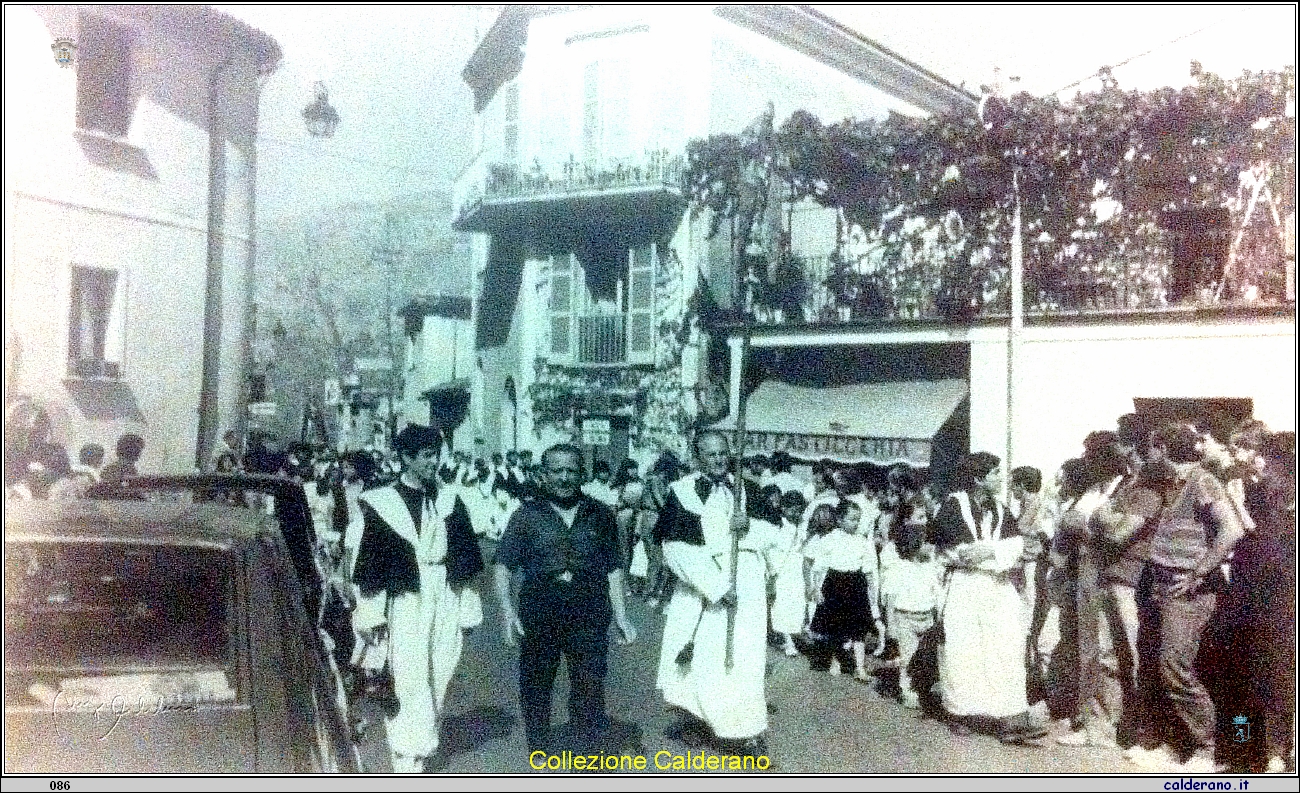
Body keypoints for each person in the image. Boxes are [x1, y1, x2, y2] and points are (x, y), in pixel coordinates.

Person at [351, 425, 485, 774]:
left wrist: (467, 606)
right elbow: (372, 563)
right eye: (425, 456)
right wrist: (370, 612)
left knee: (440, 670)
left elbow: (464, 556)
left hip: (444, 593)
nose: (432, 462)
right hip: (407, 597)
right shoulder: (384, 504)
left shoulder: (450, 500)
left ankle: (423, 743)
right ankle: (405, 756)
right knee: (409, 676)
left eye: (435, 455)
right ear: (406, 458)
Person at [493, 443, 637, 755]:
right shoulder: (526, 515)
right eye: (556, 471)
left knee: (589, 684)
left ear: (582, 474)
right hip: (540, 609)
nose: (564, 477)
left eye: (571, 470)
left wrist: (622, 616)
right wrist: (507, 613)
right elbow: (503, 567)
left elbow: (613, 568)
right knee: (537, 683)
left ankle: (585, 755)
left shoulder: (600, 514)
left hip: (589, 609)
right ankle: (539, 747)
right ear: (543, 475)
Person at [654, 430, 783, 755]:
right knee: (702, 659)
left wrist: (750, 527)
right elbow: (674, 548)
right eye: (710, 454)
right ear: (697, 458)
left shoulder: (748, 490)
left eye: (723, 453)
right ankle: (697, 719)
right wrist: (715, 586)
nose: (718, 459)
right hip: (703, 588)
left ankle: (746, 731)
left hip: (747, 586)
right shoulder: (681, 493)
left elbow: (777, 534)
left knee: (744, 657)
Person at [1137, 421, 1246, 773]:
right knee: (1161, 666)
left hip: (1188, 592)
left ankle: (1208, 749)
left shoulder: (1202, 480)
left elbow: (1232, 529)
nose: (1148, 456)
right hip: (1162, 586)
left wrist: (1198, 572)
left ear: (1165, 450)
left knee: (1175, 668)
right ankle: (1177, 745)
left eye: (1153, 449)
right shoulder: (1175, 483)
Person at [932, 451, 1045, 744]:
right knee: (964, 649)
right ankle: (960, 712)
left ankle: (1012, 719)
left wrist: (991, 551)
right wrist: (997, 551)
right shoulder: (952, 506)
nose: (1000, 478)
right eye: (994, 473)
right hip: (965, 587)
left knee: (1006, 647)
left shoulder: (1001, 508)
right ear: (977, 477)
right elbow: (958, 553)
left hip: (998, 586)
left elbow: (1020, 547)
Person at [805, 500, 875, 682]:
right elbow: (819, 568)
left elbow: (868, 570)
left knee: (858, 629)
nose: (856, 523)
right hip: (835, 584)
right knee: (836, 626)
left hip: (856, 584)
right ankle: (835, 660)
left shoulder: (862, 541)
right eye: (852, 519)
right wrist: (816, 589)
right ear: (840, 519)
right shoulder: (829, 539)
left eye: (858, 520)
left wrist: (872, 594)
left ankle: (860, 668)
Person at [879, 513, 942, 709]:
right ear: (914, 545)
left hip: (927, 618)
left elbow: (937, 593)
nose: (931, 547)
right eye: (927, 543)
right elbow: (890, 598)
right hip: (905, 618)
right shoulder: (899, 568)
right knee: (908, 657)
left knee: (926, 657)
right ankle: (907, 690)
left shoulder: (931, 567)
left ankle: (923, 687)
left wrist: (938, 617)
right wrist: (891, 626)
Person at [769, 490, 809, 657]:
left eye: (799, 510)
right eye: (792, 509)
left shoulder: (802, 525)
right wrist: (773, 572)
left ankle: (794, 634)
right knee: (782, 605)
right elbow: (775, 550)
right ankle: (787, 640)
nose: (796, 513)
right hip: (782, 570)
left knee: (798, 604)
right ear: (784, 508)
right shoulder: (779, 525)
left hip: (797, 569)